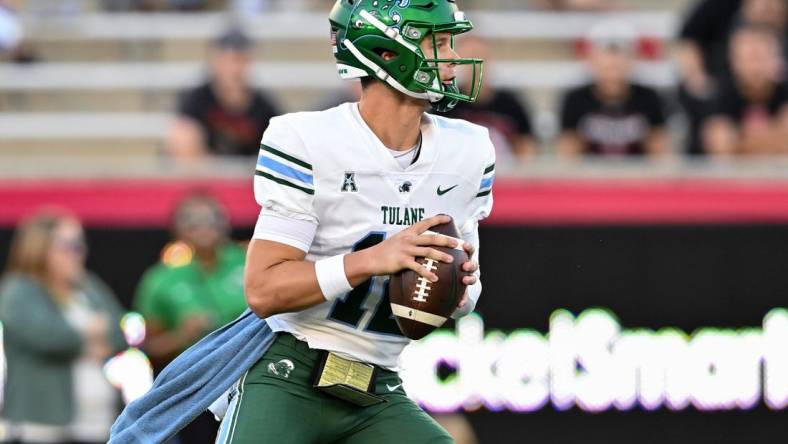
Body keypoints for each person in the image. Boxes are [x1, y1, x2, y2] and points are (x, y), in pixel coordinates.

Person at [110, 0, 493, 442]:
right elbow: (263, 290)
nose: (451, 59)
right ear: (387, 53)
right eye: (438, 43)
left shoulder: (469, 150)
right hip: (289, 374)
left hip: (379, 387)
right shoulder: (306, 140)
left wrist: (461, 287)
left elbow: (461, 295)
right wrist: (370, 260)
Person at [0, 210, 127, 444]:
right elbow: (48, 338)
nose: (79, 253)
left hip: (97, 424)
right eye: (69, 245)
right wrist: (90, 336)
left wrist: (86, 338)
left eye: (80, 244)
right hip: (41, 427)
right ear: (39, 248)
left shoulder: (88, 286)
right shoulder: (18, 289)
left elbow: (118, 335)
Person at [133, 194, 248, 444]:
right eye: (193, 221)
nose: (204, 227)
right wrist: (183, 335)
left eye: (212, 218)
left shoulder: (247, 261)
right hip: (194, 388)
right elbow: (150, 349)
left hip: (246, 377)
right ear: (178, 228)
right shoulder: (161, 279)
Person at [557, 21, 669, 158]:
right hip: (590, 176)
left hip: (637, 176)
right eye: (606, 55)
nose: (613, 61)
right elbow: (567, 155)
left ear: (631, 60)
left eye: (619, 55)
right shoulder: (575, 99)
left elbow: (660, 154)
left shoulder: (649, 98)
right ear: (592, 60)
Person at [167, 27, 281, 159]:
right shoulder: (197, 98)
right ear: (215, 61)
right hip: (205, 174)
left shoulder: (263, 105)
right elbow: (181, 138)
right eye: (228, 60)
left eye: (241, 60)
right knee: (183, 134)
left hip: (247, 175)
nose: (234, 69)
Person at [445, 34, 537, 163]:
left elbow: (526, 148)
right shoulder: (446, 102)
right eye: (469, 57)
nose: (475, 64)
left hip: (504, 176)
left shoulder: (510, 103)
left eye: (479, 56)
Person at [703, 25, 788, 155]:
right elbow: (721, 147)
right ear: (734, 60)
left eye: (761, 57)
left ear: (775, 59)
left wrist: (741, 140)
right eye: (750, 58)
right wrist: (773, 137)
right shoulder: (721, 93)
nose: (755, 66)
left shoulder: (783, 90)